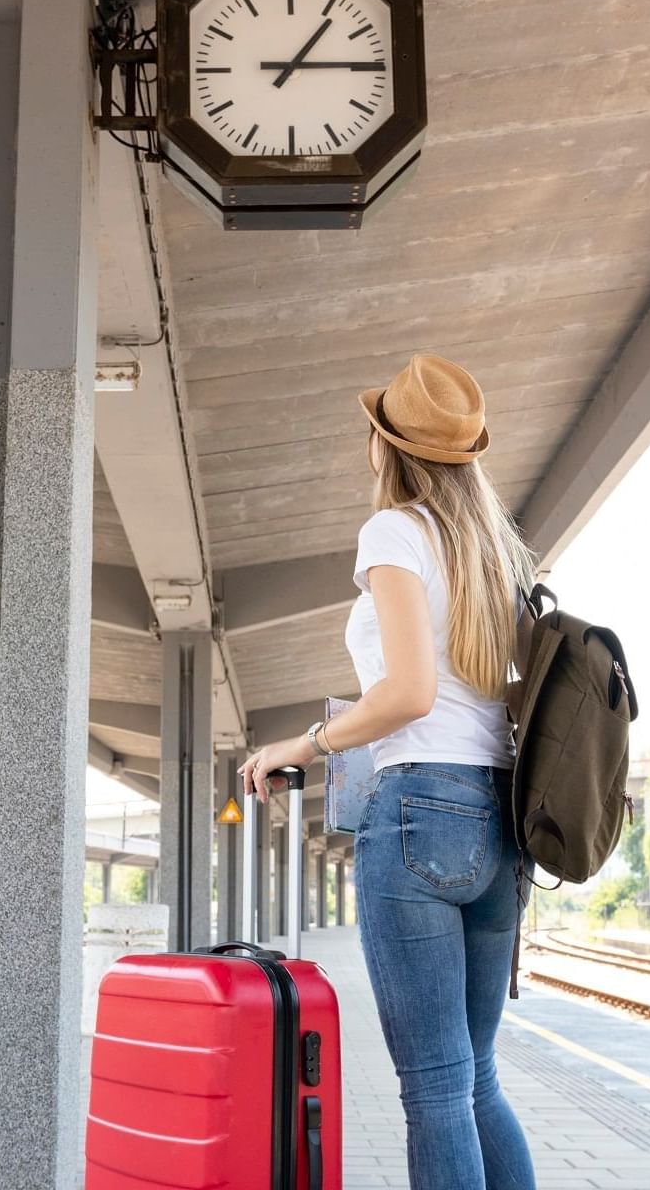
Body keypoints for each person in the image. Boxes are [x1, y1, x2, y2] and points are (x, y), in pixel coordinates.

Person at [239, 353, 538, 1190]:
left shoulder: (395, 531)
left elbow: (406, 693)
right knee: (475, 1078)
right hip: (501, 819)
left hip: (419, 814)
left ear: (386, 446)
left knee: (436, 1088)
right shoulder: (495, 553)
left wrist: (304, 745)